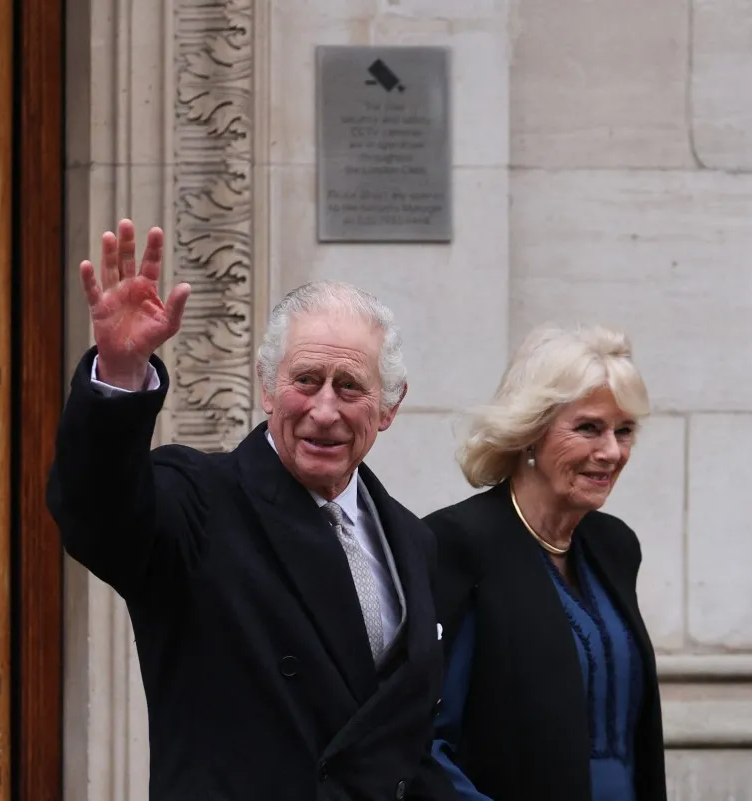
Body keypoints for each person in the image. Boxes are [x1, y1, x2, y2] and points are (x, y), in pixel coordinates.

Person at [47, 219, 458, 801]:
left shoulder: (413, 542)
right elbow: (97, 515)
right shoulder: (199, 502)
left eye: (348, 387)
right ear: (266, 388)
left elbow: (405, 747)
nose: (323, 410)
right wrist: (118, 376)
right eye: (306, 380)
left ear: (388, 407)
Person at [424, 325, 667, 801]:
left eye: (624, 431)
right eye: (589, 428)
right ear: (530, 432)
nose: (612, 452)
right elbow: (426, 741)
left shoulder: (614, 546)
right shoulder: (457, 543)